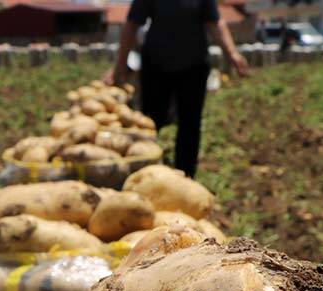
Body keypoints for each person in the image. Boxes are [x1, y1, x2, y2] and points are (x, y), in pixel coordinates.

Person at [105, 0, 248, 178]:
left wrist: (232, 53)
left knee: (190, 125)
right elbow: (133, 23)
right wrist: (120, 66)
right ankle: (145, 173)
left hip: (193, 66)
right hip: (157, 66)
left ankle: (186, 175)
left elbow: (215, 22)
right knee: (150, 122)